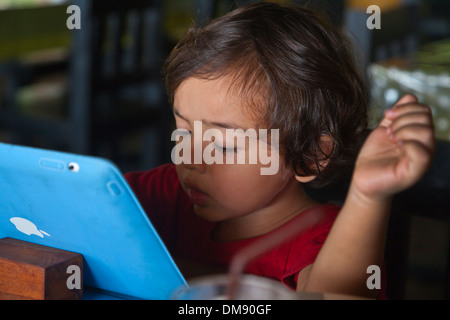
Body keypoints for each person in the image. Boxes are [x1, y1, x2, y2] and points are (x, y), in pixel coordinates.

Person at [124, 2, 434, 299]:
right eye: (184, 132)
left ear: (310, 154)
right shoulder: (169, 193)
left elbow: (331, 295)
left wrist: (366, 195)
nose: (190, 158)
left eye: (223, 145)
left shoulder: (324, 238)